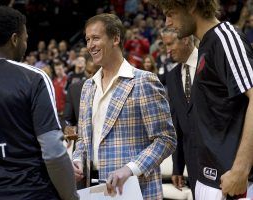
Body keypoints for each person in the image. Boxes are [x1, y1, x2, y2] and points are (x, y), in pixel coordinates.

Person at [149, 0, 253, 199]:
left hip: (232, 181)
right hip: (208, 177)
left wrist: (241, 169)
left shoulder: (225, 38)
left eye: (171, 13)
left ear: (190, 5)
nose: (167, 22)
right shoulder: (207, 44)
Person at [72, 13, 177, 199]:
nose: (90, 45)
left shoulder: (144, 81)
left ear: (116, 38)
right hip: (93, 190)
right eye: (87, 39)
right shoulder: (88, 86)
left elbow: (166, 139)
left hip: (135, 188)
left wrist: (130, 169)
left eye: (96, 38)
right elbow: (82, 139)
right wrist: (77, 160)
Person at [0, 6, 78, 200]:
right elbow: (53, 152)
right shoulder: (33, 78)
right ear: (15, 39)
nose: (26, 45)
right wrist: (70, 196)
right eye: (25, 39)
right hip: (29, 192)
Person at [161, 27, 198, 197]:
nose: (167, 51)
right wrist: (177, 166)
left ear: (185, 39)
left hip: (223, 159)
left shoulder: (212, 63)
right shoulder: (172, 76)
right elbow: (177, 124)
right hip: (193, 162)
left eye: (170, 44)